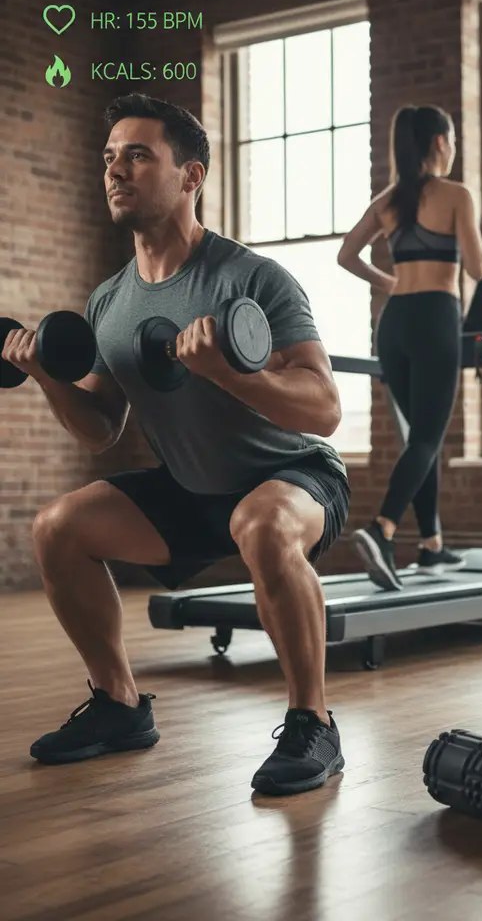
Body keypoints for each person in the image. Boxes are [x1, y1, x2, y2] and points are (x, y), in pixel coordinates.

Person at [1, 93, 351, 796]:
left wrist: (227, 373)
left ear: (191, 177)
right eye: (109, 158)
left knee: (261, 523)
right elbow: (101, 429)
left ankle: (313, 723)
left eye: (137, 155)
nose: (116, 171)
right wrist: (46, 377)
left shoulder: (252, 279)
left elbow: (324, 408)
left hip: (292, 473)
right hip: (193, 487)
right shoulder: (110, 301)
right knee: (58, 528)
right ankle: (119, 705)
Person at [337, 104, 482, 590]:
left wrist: (389, 281)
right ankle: (382, 529)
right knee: (429, 436)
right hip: (434, 316)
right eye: (450, 141)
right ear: (438, 143)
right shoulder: (456, 195)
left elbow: (346, 254)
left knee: (419, 439)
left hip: (394, 324)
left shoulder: (388, 199)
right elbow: (478, 269)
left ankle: (431, 544)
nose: (452, 149)